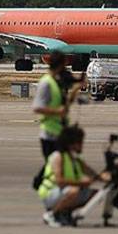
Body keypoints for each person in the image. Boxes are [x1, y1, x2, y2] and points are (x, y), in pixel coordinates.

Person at [31, 52, 85, 189]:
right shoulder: (46, 83)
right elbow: (37, 108)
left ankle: (49, 187)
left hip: (60, 132)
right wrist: (57, 112)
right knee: (55, 165)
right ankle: (45, 188)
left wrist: (75, 91)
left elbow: (65, 106)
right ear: (61, 65)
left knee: (59, 163)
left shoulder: (57, 83)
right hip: (49, 133)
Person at [37, 125, 109, 227]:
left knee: (97, 195)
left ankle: (64, 212)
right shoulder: (58, 157)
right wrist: (83, 183)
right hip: (50, 192)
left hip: (64, 192)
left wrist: (105, 177)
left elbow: (92, 173)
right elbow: (59, 181)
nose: (82, 145)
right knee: (74, 191)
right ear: (71, 144)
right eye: (79, 143)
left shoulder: (76, 159)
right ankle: (52, 214)